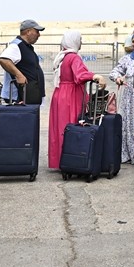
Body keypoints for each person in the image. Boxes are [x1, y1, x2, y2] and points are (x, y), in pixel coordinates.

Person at [47, 30, 101, 170]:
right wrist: (95, 76)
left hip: (60, 94)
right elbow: (80, 75)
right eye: (80, 39)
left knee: (60, 127)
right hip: (71, 95)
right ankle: (72, 159)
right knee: (72, 127)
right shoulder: (74, 57)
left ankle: (60, 159)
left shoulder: (63, 57)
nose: (81, 42)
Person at [110, 32, 134, 163]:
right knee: (128, 125)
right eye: (133, 41)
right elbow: (114, 72)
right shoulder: (127, 58)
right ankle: (129, 154)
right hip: (129, 97)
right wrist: (118, 78)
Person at [0, 19, 46, 104]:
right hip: (19, 97)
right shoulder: (16, 45)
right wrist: (19, 75)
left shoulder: (26, 46)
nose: (39, 35)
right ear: (28, 31)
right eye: (37, 31)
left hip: (28, 96)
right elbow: (4, 59)